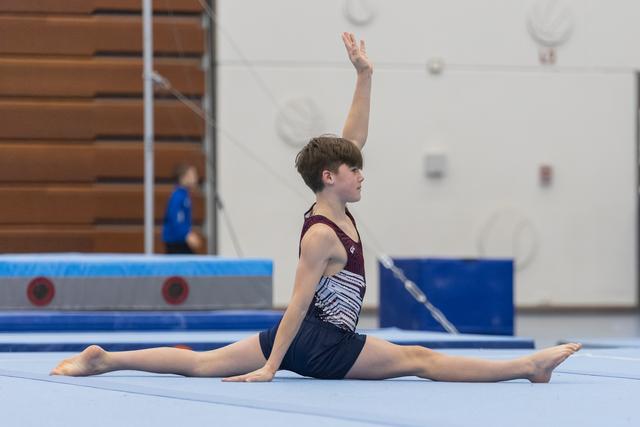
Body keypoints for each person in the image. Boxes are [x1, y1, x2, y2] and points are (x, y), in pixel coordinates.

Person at [51, 33, 580, 382]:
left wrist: (364, 75)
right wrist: (271, 368)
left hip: (310, 338)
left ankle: (106, 358)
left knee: (202, 363)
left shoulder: (328, 205)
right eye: (355, 171)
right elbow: (298, 305)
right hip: (322, 344)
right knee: (422, 359)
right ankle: (528, 367)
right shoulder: (322, 236)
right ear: (331, 179)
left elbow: (353, 139)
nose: (362, 173)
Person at [162, 163, 202, 254]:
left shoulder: (185, 195)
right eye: (192, 175)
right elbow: (175, 218)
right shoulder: (178, 196)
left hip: (181, 239)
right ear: (183, 177)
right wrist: (186, 235)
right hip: (176, 241)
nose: (196, 178)